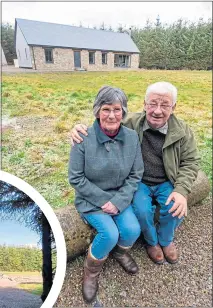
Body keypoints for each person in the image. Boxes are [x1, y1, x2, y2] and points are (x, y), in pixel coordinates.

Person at [70, 81, 200, 266]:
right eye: (152, 104)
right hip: (140, 182)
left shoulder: (183, 131)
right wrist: (78, 128)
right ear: (144, 104)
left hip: (166, 181)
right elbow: (106, 119)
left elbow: (191, 161)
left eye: (165, 105)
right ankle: (151, 242)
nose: (157, 110)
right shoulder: (131, 123)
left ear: (174, 107)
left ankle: (165, 240)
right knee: (141, 210)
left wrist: (181, 190)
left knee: (175, 208)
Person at [69, 85, 144, 303]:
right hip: (91, 199)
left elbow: (136, 173)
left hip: (120, 196)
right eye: (106, 109)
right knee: (109, 234)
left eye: (117, 109)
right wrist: (105, 201)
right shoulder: (82, 138)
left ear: (124, 112)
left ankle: (119, 253)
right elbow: (76, 178)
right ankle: (91, 273)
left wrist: (119, 201)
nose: (112, 115)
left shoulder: (131, 138)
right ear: (97, 111)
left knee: (132, 229)